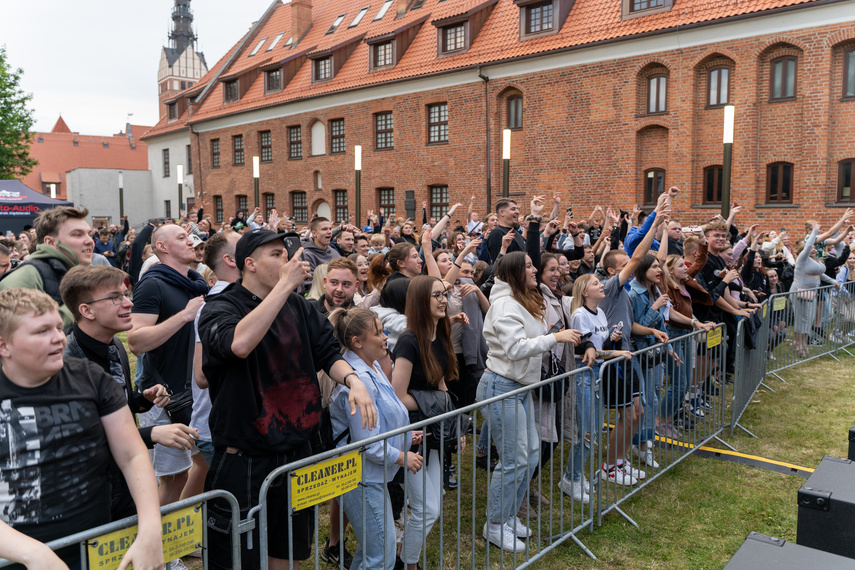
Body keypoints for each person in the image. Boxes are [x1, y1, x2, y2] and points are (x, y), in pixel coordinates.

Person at [198, 228, 376, 570]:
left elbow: (327, 354)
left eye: (287, 253)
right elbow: (238, 345)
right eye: (276, 254)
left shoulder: (300, 308)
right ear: (249, 264)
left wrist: (354, 380)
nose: (289, 260)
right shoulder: (220, 307)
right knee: (237, 556)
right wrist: (283, 286)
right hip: (245, 455)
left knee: (289, 550)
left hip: (296, 450)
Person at [0, 289, 163, 570]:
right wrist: (32, 553)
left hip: (96, 547)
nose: (58, 338)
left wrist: (150, 528)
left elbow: (132, 455)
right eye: (41, 331)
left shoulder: (90, 377)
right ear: (4, 346)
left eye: (57, 327)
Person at [59, 264, 196, 519]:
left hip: (122, 482)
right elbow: (85, 436)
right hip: (90, 493)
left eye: (125, 294)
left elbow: (112, 405)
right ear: (86, 310)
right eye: (115, 298)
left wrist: (142, 400)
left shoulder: (113, 346)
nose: (129, 303)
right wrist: (151, 433)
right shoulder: (67, 363)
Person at [477, 252, 580, 551]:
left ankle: (508, 515)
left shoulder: (522, 298)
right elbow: (514, 348)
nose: (535, 270)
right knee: (513, 459)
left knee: (531, 454)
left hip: (520, 387)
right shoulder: (505, 304)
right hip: (501, 387)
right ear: (514, 273)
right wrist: (555, 338)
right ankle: (494, 524)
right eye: (529, 266)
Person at [328, 308, 423, 570]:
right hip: (361, 479)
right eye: (378, 333)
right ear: (357, 342)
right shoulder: (361, 380)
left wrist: (403, 437)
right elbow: (367, 444)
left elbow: (380, 419)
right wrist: (402, 456)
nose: (385, 337)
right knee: (381, 555)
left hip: (369, 476)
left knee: (374, 551)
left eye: (383, 330)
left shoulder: (371, 367)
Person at [128, 224, 208, 506]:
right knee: (174, 477)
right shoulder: (152, 284)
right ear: (162, 247)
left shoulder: (196, 282)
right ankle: (160, 545)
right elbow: (136, 341)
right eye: (182, 238)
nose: (191, 242)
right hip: (163, 396)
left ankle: (183, 535)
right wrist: (184, 316)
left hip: (193, 392)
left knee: (197, 468)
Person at [391, 275, 465, 568]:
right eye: (437, 295)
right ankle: (406, 563)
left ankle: (404, 556)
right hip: (410, 435)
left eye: (444, 294)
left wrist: (453, 425)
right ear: (421, 300)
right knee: (427, 509)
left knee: (430, 507)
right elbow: (397, 397)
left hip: (434, 431)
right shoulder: (409, 341)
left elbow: (442, 386)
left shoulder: (441, 334)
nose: (444, 299)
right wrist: (430, 400)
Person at [184, 230, 243, 500]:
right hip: (216, 426)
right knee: (226, 502)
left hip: (217, 424)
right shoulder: (217, 304)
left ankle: (173, 538)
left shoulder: (239, 297)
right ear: (231, 259)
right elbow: (201, 374)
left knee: (201, 486)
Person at [0, 206, 94, 327]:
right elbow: (19, 331)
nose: (89, 241)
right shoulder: (27, 276)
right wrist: (76, 305)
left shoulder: (78, 274)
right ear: (50, 242)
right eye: (77, 234)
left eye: (89, 234)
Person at [790, 226, 840, 357]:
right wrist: (815, 232)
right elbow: (808, 246)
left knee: (809, 318)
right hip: (799, 291)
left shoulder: (815, 261)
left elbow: (821, 275)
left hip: (812, 292)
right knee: (802, 318)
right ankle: (799, 344)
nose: (813, 248)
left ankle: (801, 342)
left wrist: (833, 281)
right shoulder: (802, 258)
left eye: (814, 248)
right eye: (811, 247)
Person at [301, 217, 341, 290]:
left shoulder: (334, 253)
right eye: (324, 229)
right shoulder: (307, 255)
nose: (329, 232)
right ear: (314, 233)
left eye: (330, 229)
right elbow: (309, 283)